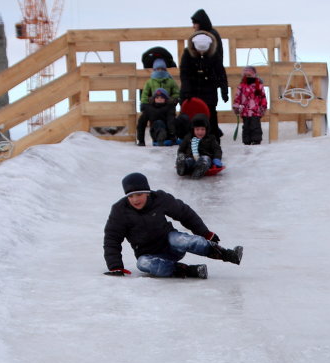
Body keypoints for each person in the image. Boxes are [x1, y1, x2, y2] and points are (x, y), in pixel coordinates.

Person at [102, 172, 243, 279]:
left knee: (179, 239)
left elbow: (184, 213)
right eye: (130, 196)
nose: (135, 199)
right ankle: (189, 271)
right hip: (149, 254)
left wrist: (204, 232)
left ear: (147, 193)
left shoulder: (159, 199)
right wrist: (115, 267)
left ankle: (228, 254)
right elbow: (112, 239)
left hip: (171, 244)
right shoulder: (120, 211)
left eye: (138, 194)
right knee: (142, 264)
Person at [180, 19, 228, 139]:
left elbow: (220, 72)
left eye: (204, 50)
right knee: (191, 115)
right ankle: (190, 142)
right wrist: (186, 91)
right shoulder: (187, 54)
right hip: (192, 89)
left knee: (211, 113)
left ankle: (213, 140)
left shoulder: (214, 55)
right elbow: (184, 73)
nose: (201, 52)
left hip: (209, 89)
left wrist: (224, 90)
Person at [137, 60, 181, 146]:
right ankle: (160, 137)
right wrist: (144, 104)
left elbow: (176, 92)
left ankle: (173, 137)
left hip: (167, 104)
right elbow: (145, 94)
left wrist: (173, 100)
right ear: (154, 70)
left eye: (162, 69)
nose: (160, 71)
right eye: (158, 69)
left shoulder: (170, 81)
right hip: (153, 107)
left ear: (165, 70)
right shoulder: (150, 82)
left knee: (172, 120)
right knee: (158, 123)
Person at [176, 114, 223, 178]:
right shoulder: (188, 137)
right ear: (193, 129)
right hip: (191, 157)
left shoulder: (211, 138)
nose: (200, 132)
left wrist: (216, 159)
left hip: (205, 157)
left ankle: (200, 169)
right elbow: (181, 149)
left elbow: (217, 149)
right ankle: (183, 166)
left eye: (202, 129)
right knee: (189, 160)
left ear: (207, 129)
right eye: (197, 129)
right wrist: (181, 155)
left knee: (205, 160)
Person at [232, 66, 268, 145]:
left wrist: (263, 106)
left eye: (249, 75)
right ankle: (246, 140)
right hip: (245, 111)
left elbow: (263, 97)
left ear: (254, 75)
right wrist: (236, 107)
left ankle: (256, 140)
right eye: (246, 75)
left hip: (256, 111)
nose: (248, 77)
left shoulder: (258, 85)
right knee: (246, 127)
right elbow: (237, 97)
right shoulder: (241, 86)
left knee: (255, 126)